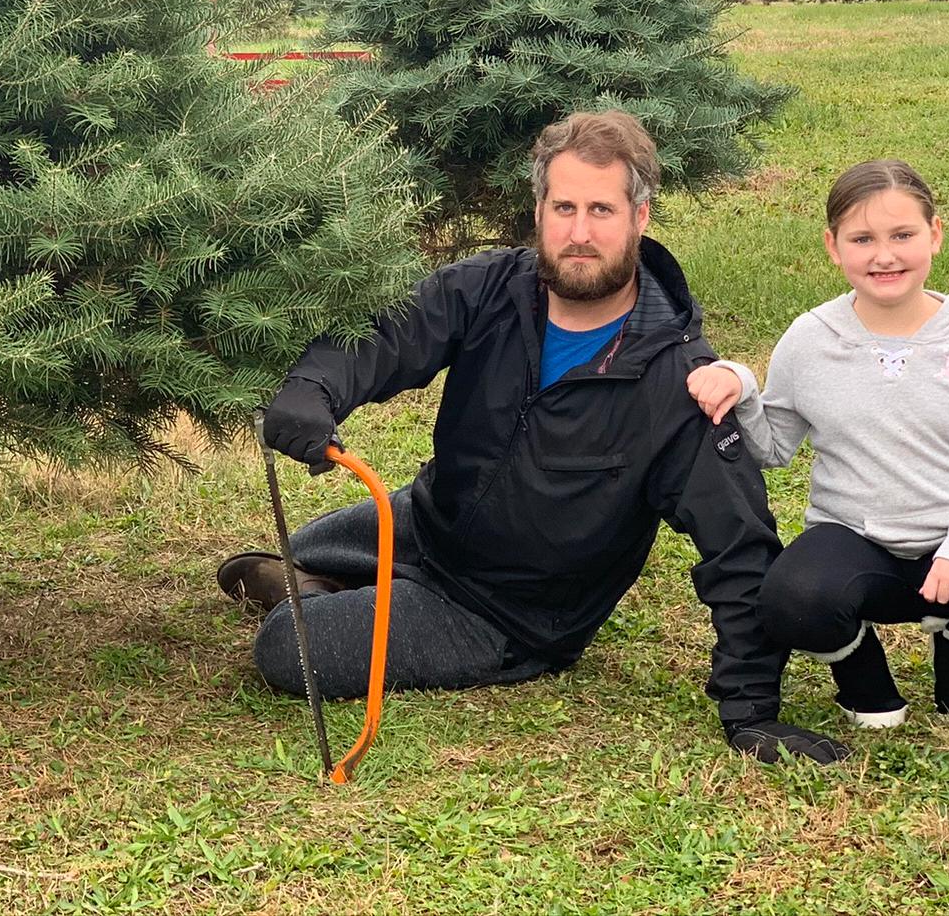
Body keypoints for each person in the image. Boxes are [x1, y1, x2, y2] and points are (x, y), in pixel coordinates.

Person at [219, 110, 848, 765]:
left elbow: (740, 549)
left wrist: (750, 712)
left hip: (504, 612)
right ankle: (347, 581)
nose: (579, 233)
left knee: (287, 646)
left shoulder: (681, 382)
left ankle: (345, 598)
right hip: (432, 519)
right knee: (289, 550)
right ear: (539, 208)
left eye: (601, 210)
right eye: (564, 206)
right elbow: (390, 335)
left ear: (640, 217)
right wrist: (314, 388)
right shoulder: (492, 286)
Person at [687, 159, 949, 731]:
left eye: (903, 235)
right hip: (855, 542)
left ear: (935, 234)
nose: (884, 255)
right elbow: (771, 448)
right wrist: (742, 384)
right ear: (833, 246)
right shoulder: (810, 340)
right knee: (791, 598)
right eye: (862, 239)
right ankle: (861, 676)